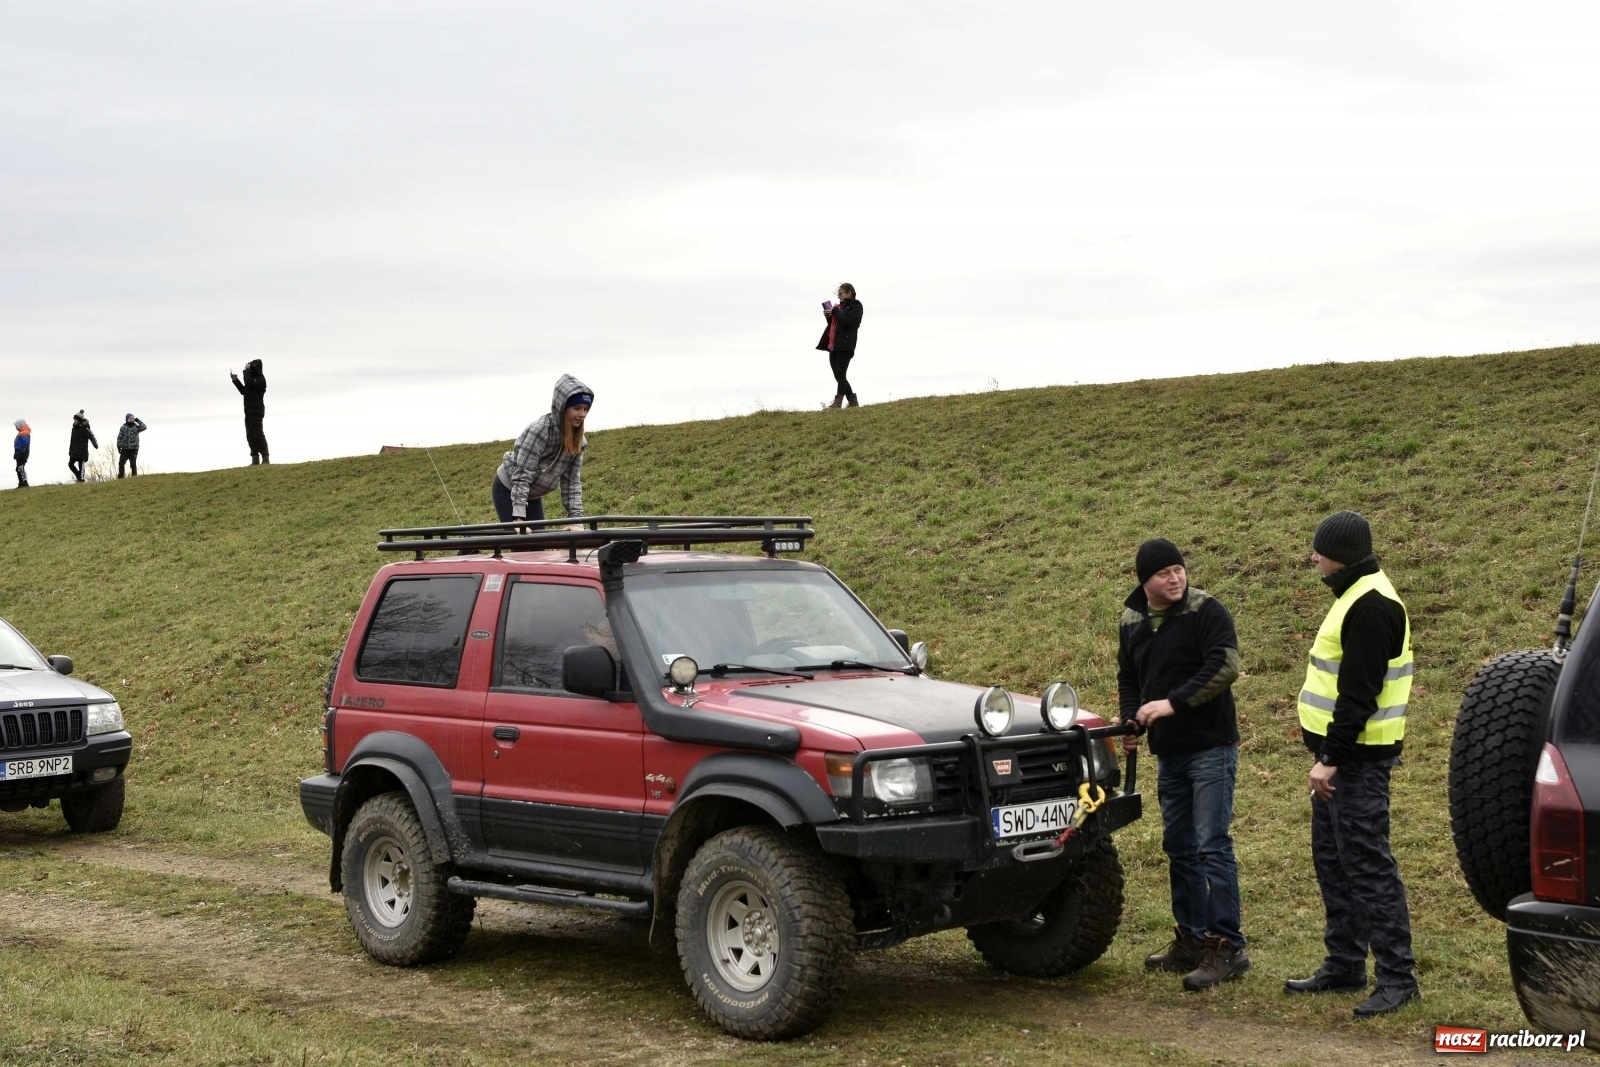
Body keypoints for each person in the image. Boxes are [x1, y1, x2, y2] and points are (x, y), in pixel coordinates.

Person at [1287, 510, 1419, 1017]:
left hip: (1354, 764)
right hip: (1342, 763)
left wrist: (1330, 759)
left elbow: (1358, 695)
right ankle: (1344, 965)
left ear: (1339, 555)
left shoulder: (1372, 606)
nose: (1313, 558)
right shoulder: (1355, 596)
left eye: (1319, 551)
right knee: (1335, 863)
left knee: (1368, 867)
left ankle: (1397, 978)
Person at [1118, 538, 1248, 991]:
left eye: (1179, 569)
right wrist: (1130, 721)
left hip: (1211, 746)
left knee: (1212, 844)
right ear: (1144, 581)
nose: (1175, 579)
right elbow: (1130, 678)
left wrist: (1173, 704)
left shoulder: (1206, 611)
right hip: (1168, 753)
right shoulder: (1132, 620)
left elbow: (1226, 666)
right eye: (1164, 573)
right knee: (1180, 847)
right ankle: (1192, 940)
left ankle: (1228, 945)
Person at [492, 375, 592, 524]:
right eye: (577, 408)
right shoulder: (540, 431)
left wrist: (576, 519)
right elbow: (523, 474)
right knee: (521, 543)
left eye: (585, 409)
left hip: (533, 495)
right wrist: (518, 516)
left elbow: (572, 481)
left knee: (539, 544)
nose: (582, 414)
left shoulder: (579, 442)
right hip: (510, 488)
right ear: (562, 407)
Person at [816, 283, 863, 409]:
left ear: (849, 293)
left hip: (846, 345)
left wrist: (836, 311)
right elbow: (835, 326)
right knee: (838, 375)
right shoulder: (839, 307)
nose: (839, 296)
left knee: (841, 374)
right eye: (838, 294)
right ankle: (853, 401)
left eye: (840, 293)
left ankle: (838, 402)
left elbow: (848, 322)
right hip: (834, 345)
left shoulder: (856, 306)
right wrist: (829, 316)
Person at [230, 360, 269, 464]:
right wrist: (236, 381)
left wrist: (245, 371)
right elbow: (244, 391)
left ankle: (265, 457)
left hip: (256, 410)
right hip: (248, 411)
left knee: (258, 434)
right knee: (250, 435)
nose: (248, 369)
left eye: (250, 367)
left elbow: (249, 383)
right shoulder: (251, 380)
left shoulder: (260, 379)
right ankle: (255, 459)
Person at [68, 410, 98, 482]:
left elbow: (91, 436)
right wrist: (70, 450)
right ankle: (78, 476)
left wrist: (95, 444)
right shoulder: (73, 429)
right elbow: (72, 440)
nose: (75, 421)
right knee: (70, 464)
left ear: (79, 420)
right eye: (74, 419)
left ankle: (81, 479)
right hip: (74, 451)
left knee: (81, 466)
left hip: (82, 451)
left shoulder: (84, 428)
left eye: (76, 420)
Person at [116, 413, 147, 478]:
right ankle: (121, 477)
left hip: (134, 449)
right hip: (125, 449)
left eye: (133, 418)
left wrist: (137, 420)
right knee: (121, 463)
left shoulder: (136, 427)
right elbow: (119, 437)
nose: (132, 419)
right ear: (127, 419)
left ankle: (134, 477)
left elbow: (144, 427)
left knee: (133, 464)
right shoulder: (123, 427)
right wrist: (119, 446)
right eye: (130, 418)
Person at [12, 419, 30, 488]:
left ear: (20, 425)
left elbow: (26, 443)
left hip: (22, 453)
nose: (16, 427)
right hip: (19, 453)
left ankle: (24, 483)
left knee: (20, 468)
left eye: (16, 425)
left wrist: (22, 452)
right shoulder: (22, 432)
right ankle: (21, 483)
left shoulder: (24, 433)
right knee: (18, 468)